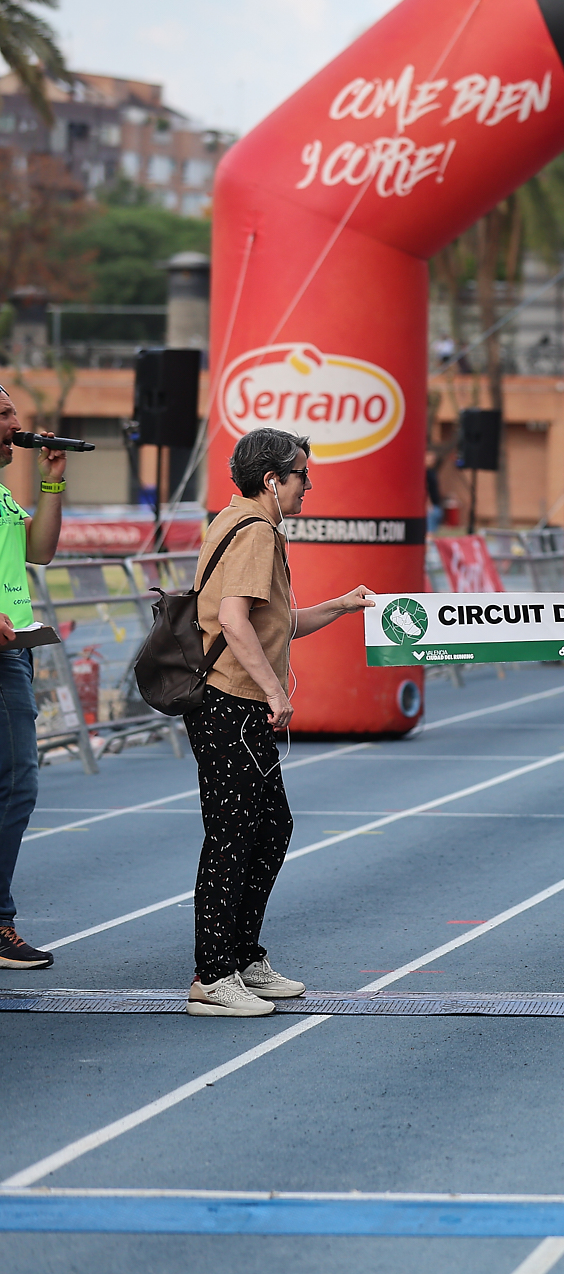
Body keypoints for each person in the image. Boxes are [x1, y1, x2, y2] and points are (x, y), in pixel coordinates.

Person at [186, 429, 375, 1017]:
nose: (308, 486)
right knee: (234, 834)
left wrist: (340, 606)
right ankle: (213, 976)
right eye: (301, 475)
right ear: (273, 480)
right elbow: (234, 621)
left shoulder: (240, 520)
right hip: (229, 704)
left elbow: (276, 623)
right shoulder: (257, 531)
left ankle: (241, 957)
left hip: (233, 703)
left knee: (271, 827)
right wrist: (275, 693)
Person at [0, 389, 65, 971]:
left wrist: (51, 484)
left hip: (16, 645)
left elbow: (39, 551)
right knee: (17, 784)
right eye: (2, 417)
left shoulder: (0, 493)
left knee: (14, 784)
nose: (16, 428)